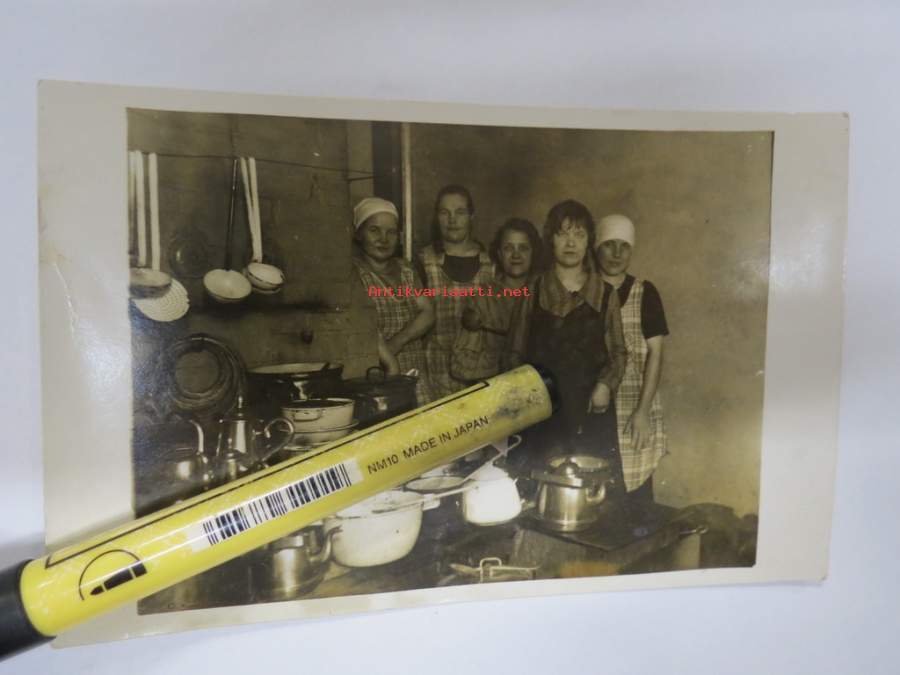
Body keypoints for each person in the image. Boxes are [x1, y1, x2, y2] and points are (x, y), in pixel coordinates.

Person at [505, 200, 628, 481]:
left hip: (589, 409)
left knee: (590, 486)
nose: (571, 243)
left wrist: (605, 385)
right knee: (535, 484)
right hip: (541, 411)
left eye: (579, 235)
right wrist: (526, 393)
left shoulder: (605, 294)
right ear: (551, 240)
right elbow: (513, 352)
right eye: (562, 234)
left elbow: (619, 352)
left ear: (589, 242)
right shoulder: (533, 291)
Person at [594, 214, 669, 505]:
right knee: (595, 488)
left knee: (636, 496)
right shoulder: (585, 291)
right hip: (595, 402)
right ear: (596, 248)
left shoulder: (644, 292)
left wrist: (643, 411)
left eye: (623, 246)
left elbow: (656, 354)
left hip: (635, 403)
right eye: (608, 244)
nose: (616, 253)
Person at [351, 197, 435, 405]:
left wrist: (397, 342)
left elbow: (428, 313)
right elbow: (362, 325)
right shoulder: (353, 274)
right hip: (377, 375)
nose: (384, 239)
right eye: (374, 230)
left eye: (391, 232)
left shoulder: (407, 270)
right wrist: (388, 357)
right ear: (358, 234)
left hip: (415, 372)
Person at [416, 185, 495, 398]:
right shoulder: (422, 261)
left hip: (481, 378)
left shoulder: (492, 263)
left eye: (460, 212)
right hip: (434, 378)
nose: (452, 220)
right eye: (445, 212)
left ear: (471, 216)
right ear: (436, 217)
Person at [452, 217, 542, 382]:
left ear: (533, 253)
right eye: (508, 248)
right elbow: (460, 366)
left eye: (523, 248)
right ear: (499, 254)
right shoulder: (482, 298)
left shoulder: (544, 294)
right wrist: (506, 360)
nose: (516, 255)